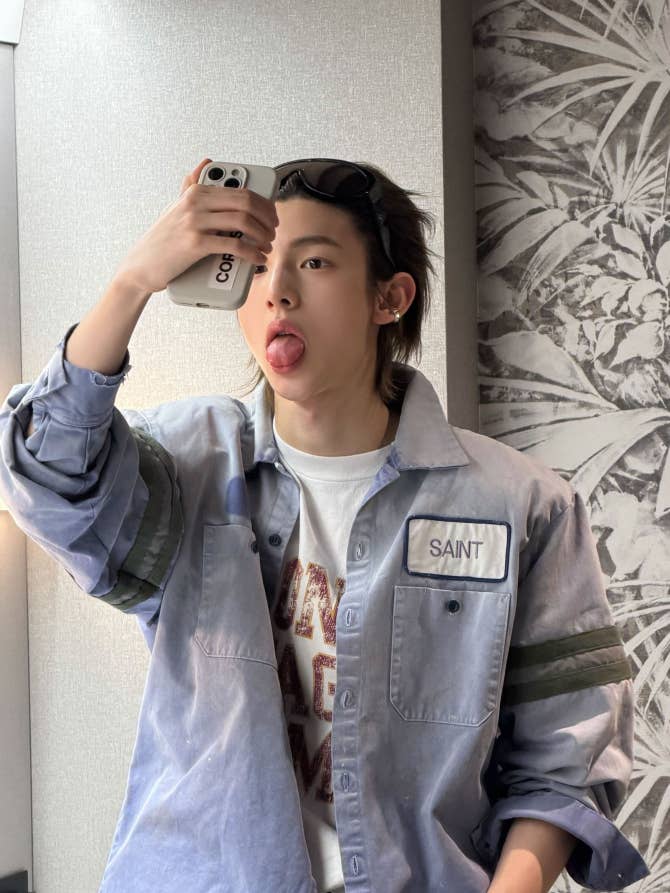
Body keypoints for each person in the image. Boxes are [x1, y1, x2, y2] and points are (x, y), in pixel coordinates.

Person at [0, 157, 649, 893]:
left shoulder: (523, 504)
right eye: (257, 267)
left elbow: (566, 755)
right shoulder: (186, 465)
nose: (277, 291)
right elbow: (44, 475)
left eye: (313, 262)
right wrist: (133, 282)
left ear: (389, 298)